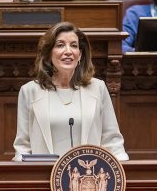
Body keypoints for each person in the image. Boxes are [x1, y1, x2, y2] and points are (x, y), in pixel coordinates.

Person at [13, 21, 129, 161]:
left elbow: (112, 141)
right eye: (60, 45)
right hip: (44, 176)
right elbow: (22, 147)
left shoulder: (98, 88)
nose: (68, 51)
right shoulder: (29, 91)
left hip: (88, 176)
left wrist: (120, 171)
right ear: (49, 54)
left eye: (74, 45)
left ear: (79, 55)